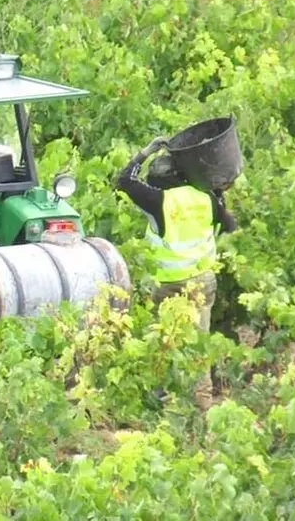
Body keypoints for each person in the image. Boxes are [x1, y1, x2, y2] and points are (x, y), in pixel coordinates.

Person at [117, 136, 238, 411]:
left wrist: (144, 152)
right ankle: (202, 406)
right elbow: (231, 227)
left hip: (168, 285)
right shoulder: (205, 197)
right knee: (198, 345)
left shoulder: (156, 200)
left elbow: (125, 180)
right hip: (202, 282)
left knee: (165, 342)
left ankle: (165, 404)